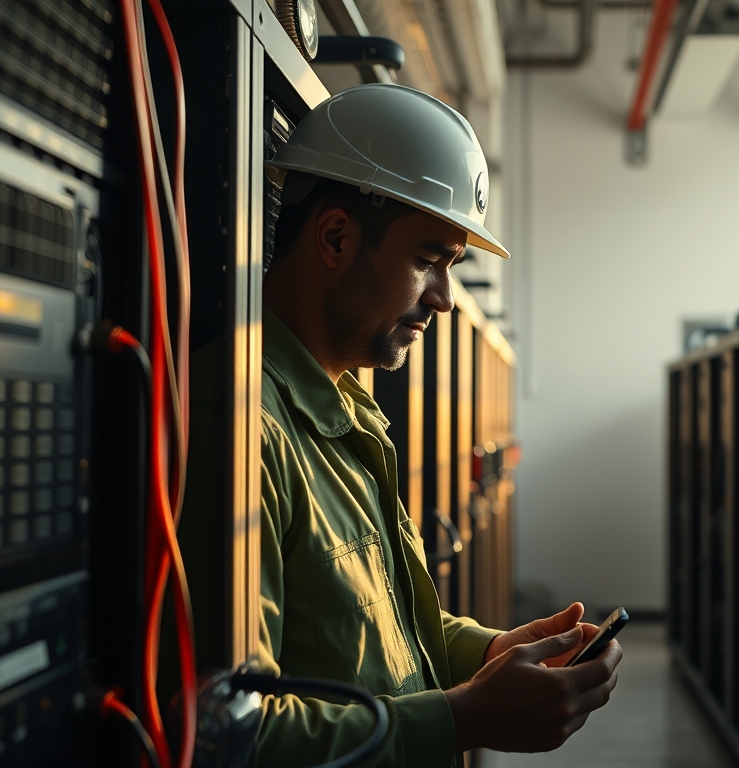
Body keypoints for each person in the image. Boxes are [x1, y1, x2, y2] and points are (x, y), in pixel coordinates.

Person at [227, 83, 622, 766]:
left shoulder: (349, 412)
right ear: (335, 237)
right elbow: (234, 733)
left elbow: (380, 626)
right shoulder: (242, 429)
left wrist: (491, 651)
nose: (443, 300)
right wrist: (461, 719)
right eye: (426, 261)